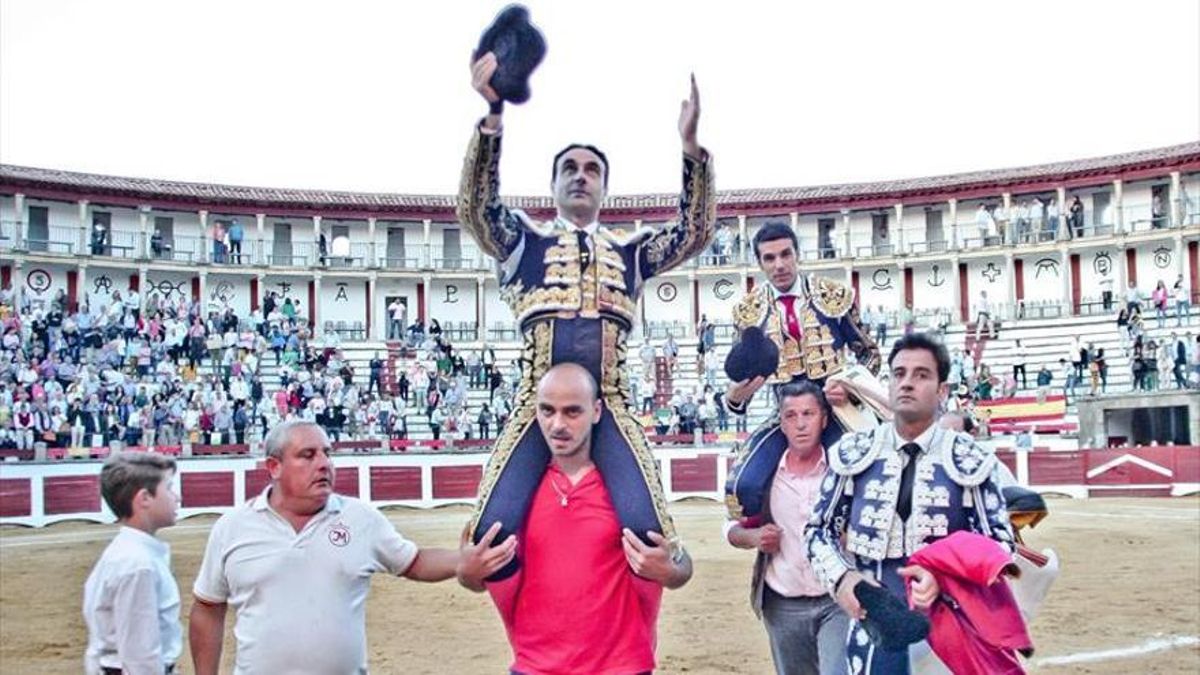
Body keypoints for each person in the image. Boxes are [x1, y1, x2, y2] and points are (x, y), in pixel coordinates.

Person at [457, 51, 714, 573]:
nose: (580, 176)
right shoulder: (521, 242)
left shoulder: (630, 251)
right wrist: (491, 122)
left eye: (591, 169)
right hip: (539, 403)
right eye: (569, 169)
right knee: (490, 542)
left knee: (650, 537)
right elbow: (475, 210)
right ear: (552, 186)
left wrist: (691, 151)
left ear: (604, 188)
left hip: (610, 404)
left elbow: (695, 233)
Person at [189, 420, 505, 674]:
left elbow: (414, 561)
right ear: (274, 467)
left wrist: (460, 562)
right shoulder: (233, 527)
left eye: (327, 453)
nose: (324, 464)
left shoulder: (359, 517)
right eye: (308, 455)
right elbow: (207, 606)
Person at [457, 363, 692, 674]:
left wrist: (671, 571)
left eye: (572, 412)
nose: (557, 425)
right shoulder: (514, 495)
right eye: (547, 410)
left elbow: (681, 563)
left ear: (596, 411)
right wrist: (466, 573)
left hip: (620, 667)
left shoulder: (625, 490)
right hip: (535, 667)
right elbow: (475, 575)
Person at [805, 333, 1015, 674]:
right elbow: (817, 532)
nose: (907, 383)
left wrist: (947, 579)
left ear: (942, 391)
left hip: (953, 618)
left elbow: (1001, 545)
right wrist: (842, 580)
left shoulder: (969, 459)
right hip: (875, 617)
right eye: (899, 374)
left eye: (921, 375)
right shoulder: (855, 452)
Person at [724, 222, 880, 524]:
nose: (779, 265)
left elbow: (869, 353)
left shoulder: (832, 296)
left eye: (786, 254)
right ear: (759, 263)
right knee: (742, 486)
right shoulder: (748, 312)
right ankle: (770, 545)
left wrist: (850, 388)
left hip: (836, 409)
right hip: (785, 412)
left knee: (869, 478)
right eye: (770, 258)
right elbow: (739, 384)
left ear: (797, 255)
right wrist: (735, 398)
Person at [725, 382, 848, 675]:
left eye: (808, 413)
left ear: (824, 419)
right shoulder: (763, 478)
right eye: (791, 416)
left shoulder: (845, 471)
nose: (801, 424)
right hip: (783, 603)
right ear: (781, 423)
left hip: (838, 599)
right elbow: (730, 529)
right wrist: (754, 537)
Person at [83, 452, 182, 675]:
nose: (177, 497)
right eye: (169, 488)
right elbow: (141, 656)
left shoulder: (125, 554)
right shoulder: (138, 564)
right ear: (144, 498)